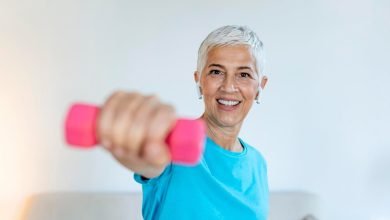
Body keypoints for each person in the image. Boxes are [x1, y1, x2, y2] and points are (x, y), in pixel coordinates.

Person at [97, 25, 269, 220]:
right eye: (216, 72)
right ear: (199, 80)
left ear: (259, 87)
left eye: (244, 74)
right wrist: (137, 147)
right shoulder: (171, 141)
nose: (229, 86)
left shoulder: (258, 163)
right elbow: (151, 163)